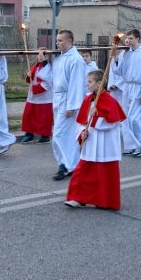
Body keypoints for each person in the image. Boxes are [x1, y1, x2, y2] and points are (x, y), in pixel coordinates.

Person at [64, 69, 127, 210]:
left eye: (90, 82)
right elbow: (80, 122)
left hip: (106, 143)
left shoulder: (110, 101)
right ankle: (77, 198)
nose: (88, 85)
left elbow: (114, 122)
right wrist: (82, 133)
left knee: (105, 173)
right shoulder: (87, 99)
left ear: (99, 84)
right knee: (83, 171)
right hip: (91, 142)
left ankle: (105, 201)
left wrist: (98, 115)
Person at [112, 29, 141, 157]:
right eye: (127, 38)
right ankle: (131, 145)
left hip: (139, 88)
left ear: (137, 39)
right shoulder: (125, 53)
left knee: (135, 119)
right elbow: (117, 71)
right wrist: (115, 56)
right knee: (125, 118)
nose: (128, 41)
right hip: (127, 88)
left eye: (131, 38)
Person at [52, 30, 86, 180]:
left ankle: (65, 165)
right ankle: (70, 164)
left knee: (58, 135)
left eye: (61, 40)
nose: (58, 43)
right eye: (57, 40)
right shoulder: (60, 58)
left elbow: (76, 84)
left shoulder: (76, 59)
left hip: (68, 101)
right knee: (65, 135)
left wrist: (71, 106)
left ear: (70, 41)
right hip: (59, 99)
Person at [21, 50, 53, 144]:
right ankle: (29, 134)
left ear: (47, 57)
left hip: (44, 97)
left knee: (44, 117)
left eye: (43, 55)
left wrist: (35, 88)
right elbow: (30, 79)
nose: (40, 57)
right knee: (29, 115)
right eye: (38, 55)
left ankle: (45, 136)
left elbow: (48, 83)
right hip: (32, 97)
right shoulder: (34, 66)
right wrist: (28, 75)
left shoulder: (48, 68)